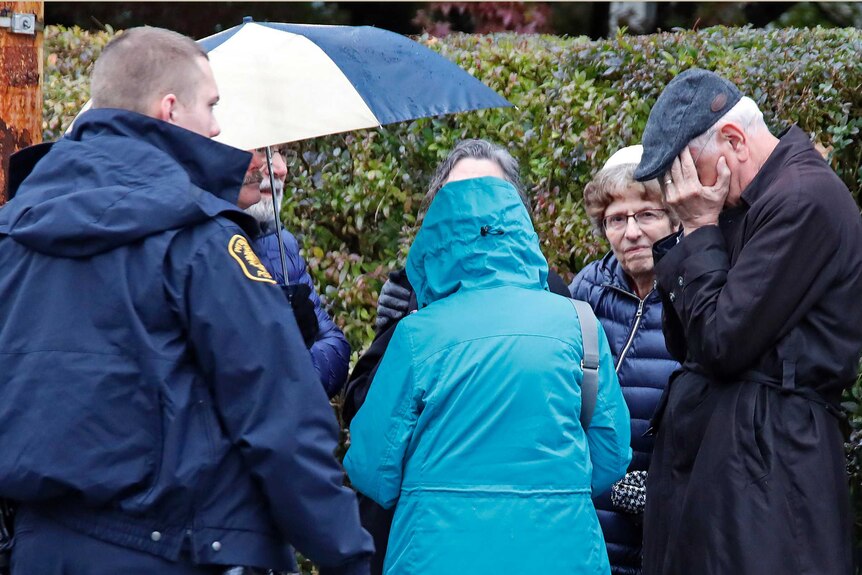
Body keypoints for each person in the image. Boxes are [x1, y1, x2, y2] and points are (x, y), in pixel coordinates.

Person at [0, 27, 372, 575]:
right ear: (170, 109)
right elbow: (280, 416)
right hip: (181, 550)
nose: (218, 126)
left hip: (38, 552)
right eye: (212, 105)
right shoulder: (201, 241)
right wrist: (348, 555)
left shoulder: (12, 236)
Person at [343, 159, 632, 573]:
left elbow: (372, 470)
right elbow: (610, 455)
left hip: (437, 554)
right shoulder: (580, 324)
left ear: (436, 239)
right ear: (521, 230)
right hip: (561, 552)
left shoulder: (415, 335)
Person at [634, 68, 862, 574]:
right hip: (736, 471)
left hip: (768, 478)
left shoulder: (803, 199)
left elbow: (720, 341)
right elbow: (685, 340)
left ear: (733, 139)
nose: (681, 192)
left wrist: (697, 228)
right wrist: (696, 232)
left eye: (689, 171)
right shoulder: (745, 203)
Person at [569, 145, 680, 575]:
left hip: (669, 518)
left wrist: (666, 488)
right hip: (591, 514)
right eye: (617, 219)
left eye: (646, 215)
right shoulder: (586, 292)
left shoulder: (696, 287)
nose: (631, 232)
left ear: (673, 220)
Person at [242, 147, 351, 397]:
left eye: (280, 152)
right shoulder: (198, 246)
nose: (280, 168)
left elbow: (336, 347)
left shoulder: (280, 243)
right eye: (262, 149)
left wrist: (298, 365)